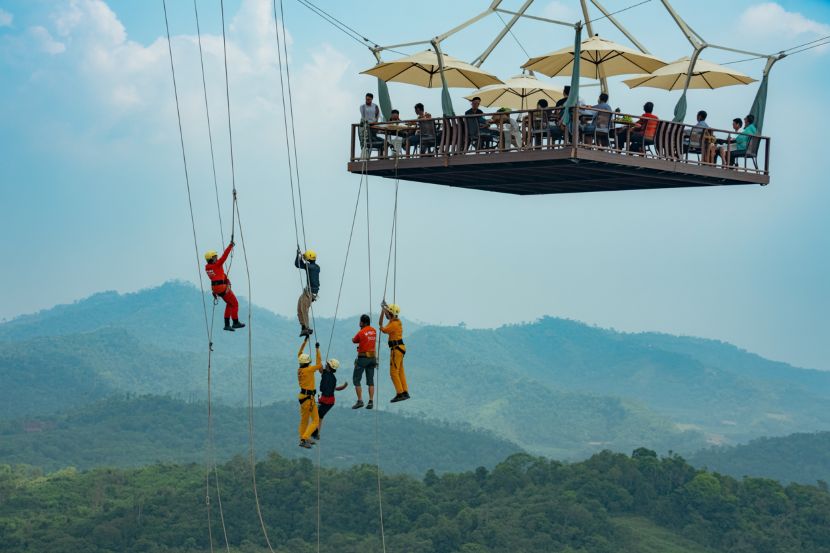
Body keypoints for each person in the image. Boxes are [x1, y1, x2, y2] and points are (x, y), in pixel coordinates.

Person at [204, 241, 245, 332]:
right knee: (235, 303)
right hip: (221, 287)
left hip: (216, 288)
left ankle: (227, 324)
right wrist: (230, 246)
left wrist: (227, 280)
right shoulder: (217, 264)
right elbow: (224, 256)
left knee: (229, 304)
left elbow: (219, 275)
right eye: (215, 257)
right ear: (212, 258)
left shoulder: (208, 268)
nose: (217, 258)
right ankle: (235, 322)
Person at [310, 358, 347, 441]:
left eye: (327, 364)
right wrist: (343, 386)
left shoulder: (326, 373)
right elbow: (334, 388)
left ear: (329, 366)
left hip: (326, 400)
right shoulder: (333, 378)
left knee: (317, 416)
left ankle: (315, 433)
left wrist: (318, 355)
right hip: (329, 401)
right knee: (320, 416)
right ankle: (316, 433)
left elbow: (320, 369)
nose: (326, 364)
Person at [379, 301, 408, 402]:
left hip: (396, 350)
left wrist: (383, 311)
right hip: (400, 348)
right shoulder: (396, 321)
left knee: (393, 372)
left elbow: (382, 328)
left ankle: (400, 393)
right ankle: (405, 391)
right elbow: (390, 317)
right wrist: (385, 308)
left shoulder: (393, 324)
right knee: (400, 371)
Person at [297, 338, 322, 448]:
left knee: (304, 420)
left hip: (302, 397)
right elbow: (319, 364)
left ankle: (303, 438)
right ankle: (304, 438)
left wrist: (305, 342)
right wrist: (317, 349)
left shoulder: (300, 370)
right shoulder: (309, 370)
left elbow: (299, 354)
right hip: (309, 398)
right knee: (316, 421)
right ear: (307, 362)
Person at [351, 314, 378, 409]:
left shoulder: (361, 332)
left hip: (363, 358)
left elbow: (354, 340)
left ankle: (360, 400)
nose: (359, 323)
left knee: (356, 379)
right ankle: (371, 401)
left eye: (360, 321)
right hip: (373, 358)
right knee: (370, 381)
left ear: (363, 322)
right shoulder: (374, 331)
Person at [295, 248, 320, 337]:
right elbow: (298, 264)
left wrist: (299, 256)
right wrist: (299, 257)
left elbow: (298, 264)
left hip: (310, 293)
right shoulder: (314, 267)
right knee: (299, 308)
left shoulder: (312, 267)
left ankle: (307, 327)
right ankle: (303, 327)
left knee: (304, 310)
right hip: (307, 292)